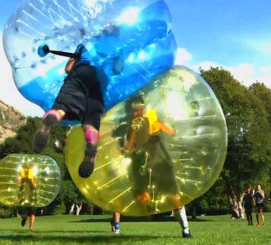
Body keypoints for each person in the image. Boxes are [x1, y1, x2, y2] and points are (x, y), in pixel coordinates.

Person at [32, 44, 106, 179]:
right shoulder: (112, 43)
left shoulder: (84, 44)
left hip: (79, 73)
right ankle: (91, 148)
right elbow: (118, 69)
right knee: (91, 122)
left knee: (61, 109)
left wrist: (75, 59)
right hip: (99, 81)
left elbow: (68, 69)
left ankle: (49, 122)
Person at [121, 97, 191, 238]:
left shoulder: (152, 120)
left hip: (159, 164)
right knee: (142, 199)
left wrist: (162, 128)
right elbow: (129, 147)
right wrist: (129, 140)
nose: (137, 112)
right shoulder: (131, 126)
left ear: (143, 109)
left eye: (139, 109)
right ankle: (152, 203)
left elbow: (171, 131)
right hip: (140, 165)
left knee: (173, 198)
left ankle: (185, 229)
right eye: (134, 110)